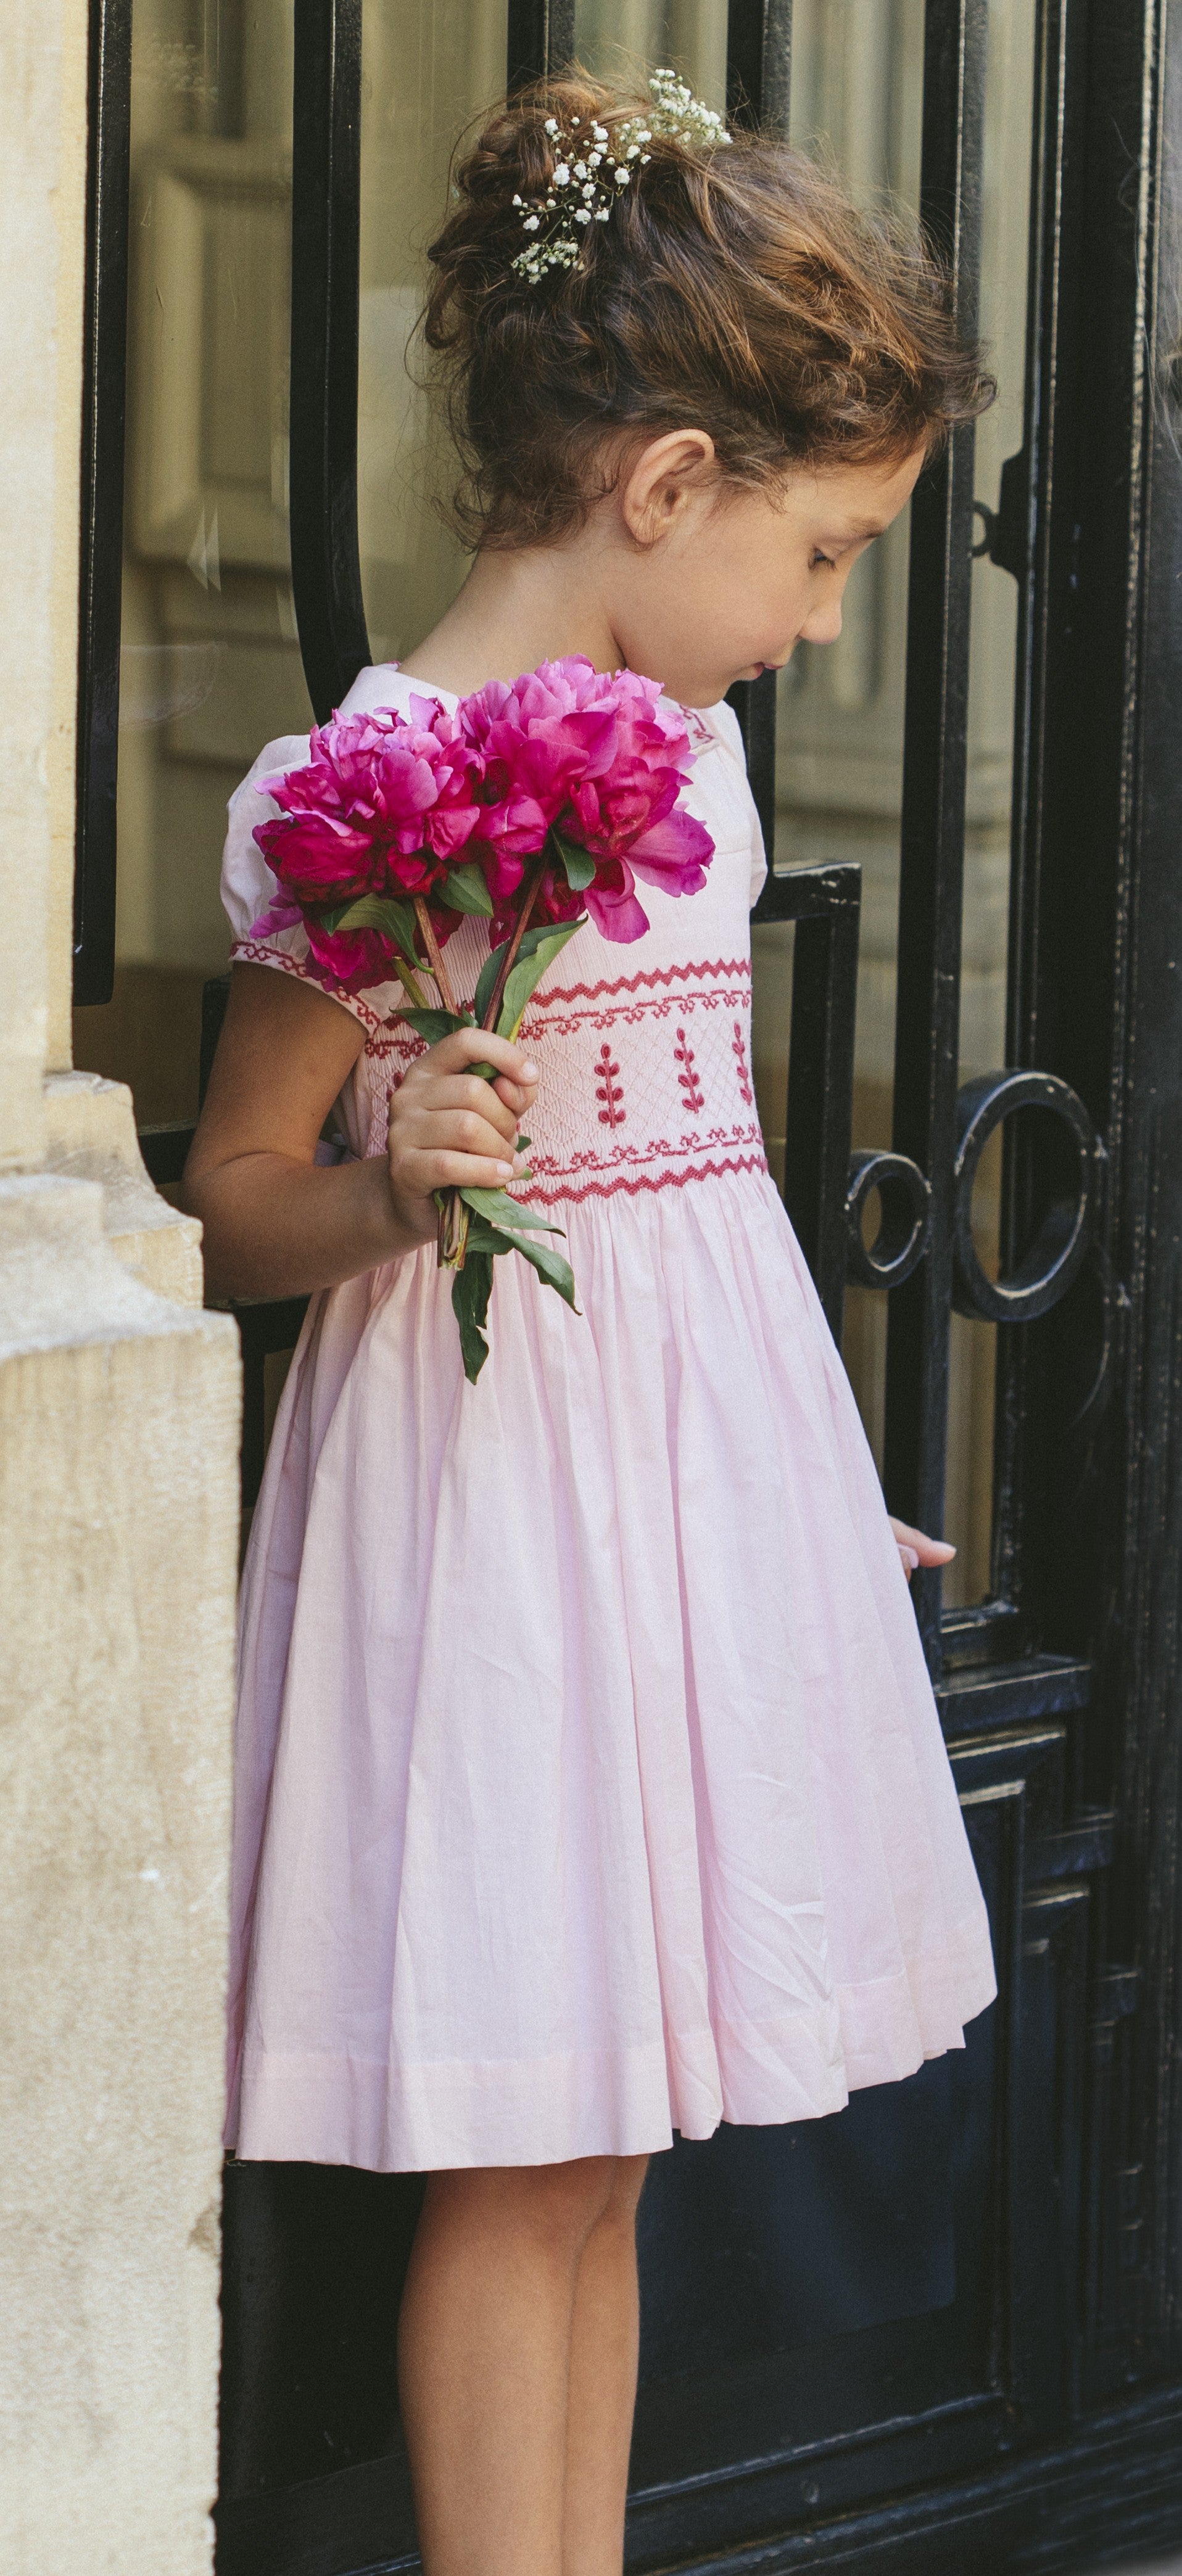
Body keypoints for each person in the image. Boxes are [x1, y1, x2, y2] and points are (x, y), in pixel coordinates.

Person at [183, 69, 998, 2576]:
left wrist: (787, 1497)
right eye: (823, 555)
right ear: (664, 484)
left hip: (669, 1519)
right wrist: (389, 1181)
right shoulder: (366, 792)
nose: (820, 621)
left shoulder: (693, 766)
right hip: (490, 1527)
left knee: (616, 2148)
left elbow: (700, 1209)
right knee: (520, 2145)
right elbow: (228, 1202)